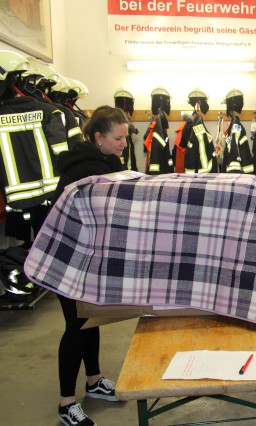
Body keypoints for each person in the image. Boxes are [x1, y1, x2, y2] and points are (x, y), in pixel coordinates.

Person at [54, 105, 129, 426]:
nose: (124, 144)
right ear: (98, 137)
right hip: (69, 259)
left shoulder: (105, 164)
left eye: (126, 138)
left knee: (91, 319)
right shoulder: (86, 172)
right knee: (75, 326)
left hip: (89, 257)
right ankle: (65, 403)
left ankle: (94, 380)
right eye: (118, 138)